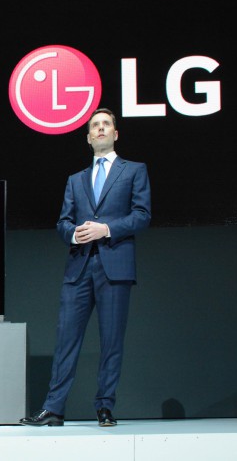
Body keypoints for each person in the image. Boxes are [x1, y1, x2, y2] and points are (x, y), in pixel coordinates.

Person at [21, 108, 151, 427]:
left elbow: (142, 215)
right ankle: (53, 408)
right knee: (66, 338)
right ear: (89, 137)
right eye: (95, 125)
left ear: (115, 134)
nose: (101, 128)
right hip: (79, 267)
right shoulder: (75, 179)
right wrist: (73, 233)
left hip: (115, 265)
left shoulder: (134, 170)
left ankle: (105, 405)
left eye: (106, 124)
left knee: (111, 340)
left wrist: (106, 229)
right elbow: (63, 222)